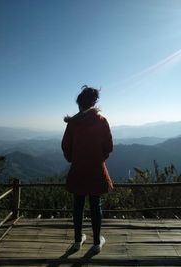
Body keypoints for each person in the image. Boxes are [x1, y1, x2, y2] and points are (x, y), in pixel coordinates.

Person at [61, 85, 113, 253]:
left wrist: (75, 160)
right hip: (96, 169)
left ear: (80, 104)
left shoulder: (73, 123)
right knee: (95, 205)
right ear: (93, 102)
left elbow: (65, 146)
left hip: (78, 170)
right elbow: (108, 146)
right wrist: (98, 160)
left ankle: (77, 241)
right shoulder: (101, 121)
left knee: (78, 205)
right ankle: (97, 242)